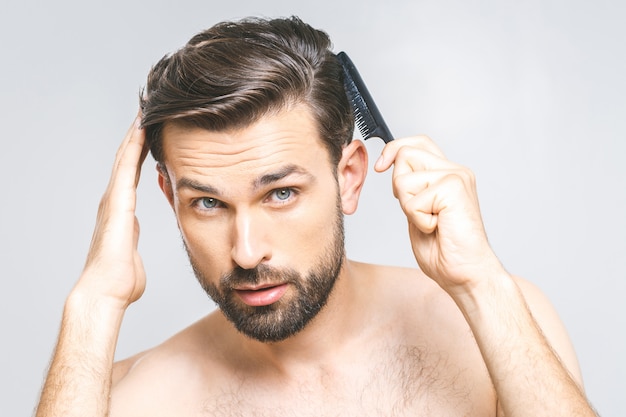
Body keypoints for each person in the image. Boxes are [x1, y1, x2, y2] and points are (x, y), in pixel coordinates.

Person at [35, 16, 597, 416]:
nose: (247, 251)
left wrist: (481, 287)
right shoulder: (138, 398)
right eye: (207, 203)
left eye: (280, 194)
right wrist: (92, 305)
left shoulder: (494, 329)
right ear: (168, 198)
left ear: (349, 176)